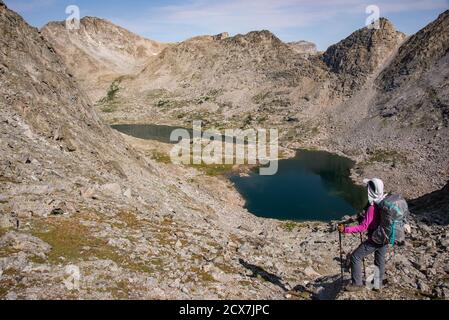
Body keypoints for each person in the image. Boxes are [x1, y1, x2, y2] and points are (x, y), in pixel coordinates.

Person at [338, 178, 388, 292]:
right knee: (379, 260)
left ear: (371, 190)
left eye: (368, 188)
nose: (366, 189)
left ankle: (357, 284)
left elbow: (363, 227)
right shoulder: (384, 202)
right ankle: (377, 284)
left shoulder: (372, 207)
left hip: (376, 238)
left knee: (355, 257)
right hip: (386, 236)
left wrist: (346, 229)